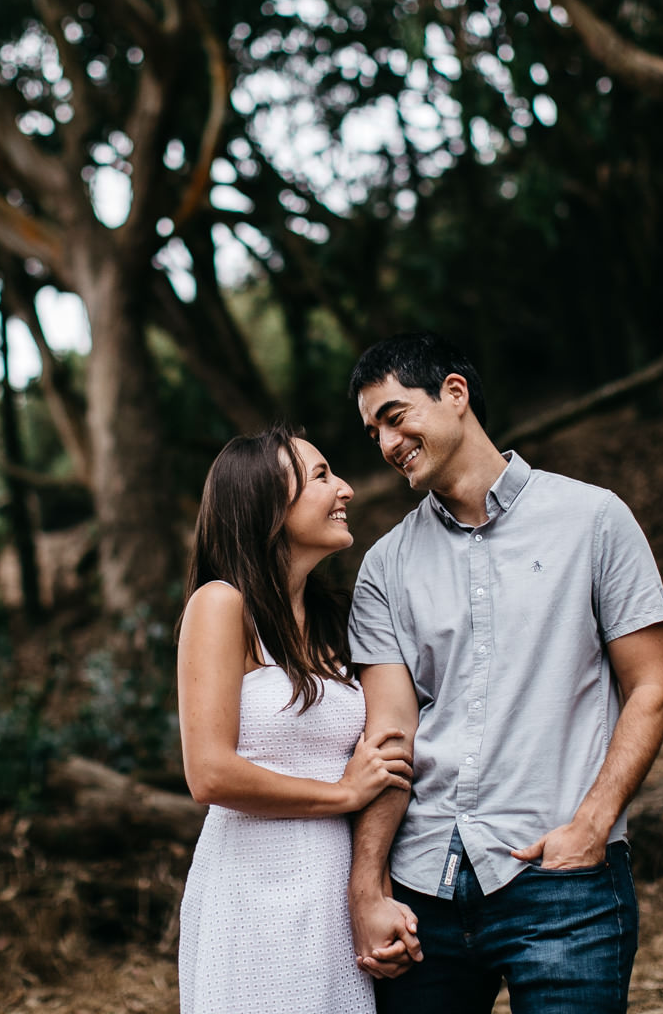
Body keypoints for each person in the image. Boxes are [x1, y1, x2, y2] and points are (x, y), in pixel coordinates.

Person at [343, 332, 663, 1014]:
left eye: (395, 415)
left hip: (563, 882)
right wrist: (368, 888)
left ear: (455, 395)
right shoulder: (385, 567)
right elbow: (390, 737)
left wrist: (593, 824)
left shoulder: (594, 520)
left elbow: (651, 686)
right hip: (424, 890)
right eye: (372, 430)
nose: (385, 443)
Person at [176, 427, 412, 1014]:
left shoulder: (336, 618)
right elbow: (209, 774)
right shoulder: (221, 604)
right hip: (253, 893)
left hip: (331, 893)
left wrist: (371, 888)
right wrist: (342, 794)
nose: (347, 490)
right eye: (322, 477)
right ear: (266, 505)